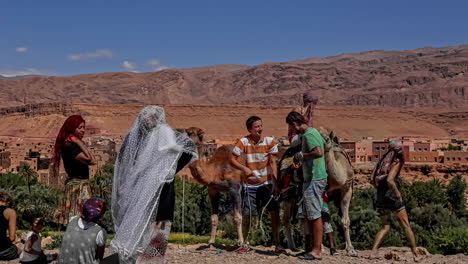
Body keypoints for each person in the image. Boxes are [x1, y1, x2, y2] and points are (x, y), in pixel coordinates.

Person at [111, 106, 198, 264]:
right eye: (149, 117)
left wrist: (167, 169)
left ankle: (149, 260)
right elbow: (187, 150)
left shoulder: (151, 135)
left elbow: (187, 150)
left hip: (156, 191)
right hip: (148, 192)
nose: (150, 120)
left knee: (158, 228)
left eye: (152, 117)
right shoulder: (138, 137)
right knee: (150, 228)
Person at [230, 115, 284, 253]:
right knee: (247, 214)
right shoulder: (243, 142)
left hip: (266, 183)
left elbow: (273, 163)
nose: (260, 129)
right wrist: (244, 168)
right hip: (250, 185)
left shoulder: (270, 142)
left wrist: (275, 183)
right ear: (250, 129)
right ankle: (245, 243)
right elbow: (232, 159)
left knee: (274, 212)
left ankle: (277, 243)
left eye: (261, 126)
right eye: (256, 127)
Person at [370, 141, 422, 262]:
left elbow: (372, 180)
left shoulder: (380, 162)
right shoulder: (396, 163)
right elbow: (390, 180)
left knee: (385, 226)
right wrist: (398, 195)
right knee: (406, 225)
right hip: (392, 197)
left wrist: (380, 191)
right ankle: (415, 254)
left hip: (381, 197)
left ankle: (373, 252)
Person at [286, 111, 327, 260]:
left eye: (291, 127)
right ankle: (310, 248)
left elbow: (318, 152)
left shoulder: (309, 135)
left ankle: (317, 250)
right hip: (312, 177)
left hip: (315, 178)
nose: (292, 130)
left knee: (315, 214)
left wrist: (304, 155)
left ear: (294, 123)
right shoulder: (313, 132)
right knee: (310, 213)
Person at [53, 115, 95, 225]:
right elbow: (91, 160)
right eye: (79, 128)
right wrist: (79, 142)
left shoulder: (70, 145)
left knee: (78, 218)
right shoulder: (71, 146)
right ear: (72, 128)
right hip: (78, 187)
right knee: (80, 218)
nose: (83, 130)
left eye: (83, 127)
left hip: (77, 185)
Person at [0, 190, 21, 261]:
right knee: (19, 251)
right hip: (2, 250)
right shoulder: (10, 212)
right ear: (8, 202)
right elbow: (12, 238)